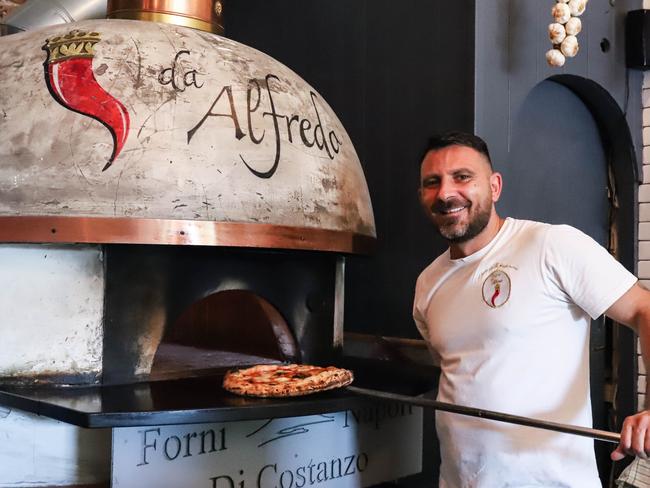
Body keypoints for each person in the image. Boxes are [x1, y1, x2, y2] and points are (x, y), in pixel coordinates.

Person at [412, 131, 650, 487]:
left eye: (462, 177)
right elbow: (464, 369)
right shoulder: (428, 283)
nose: (446, 193)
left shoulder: (551, 245)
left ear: (494, 187)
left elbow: (643, 310)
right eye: (433, 182)